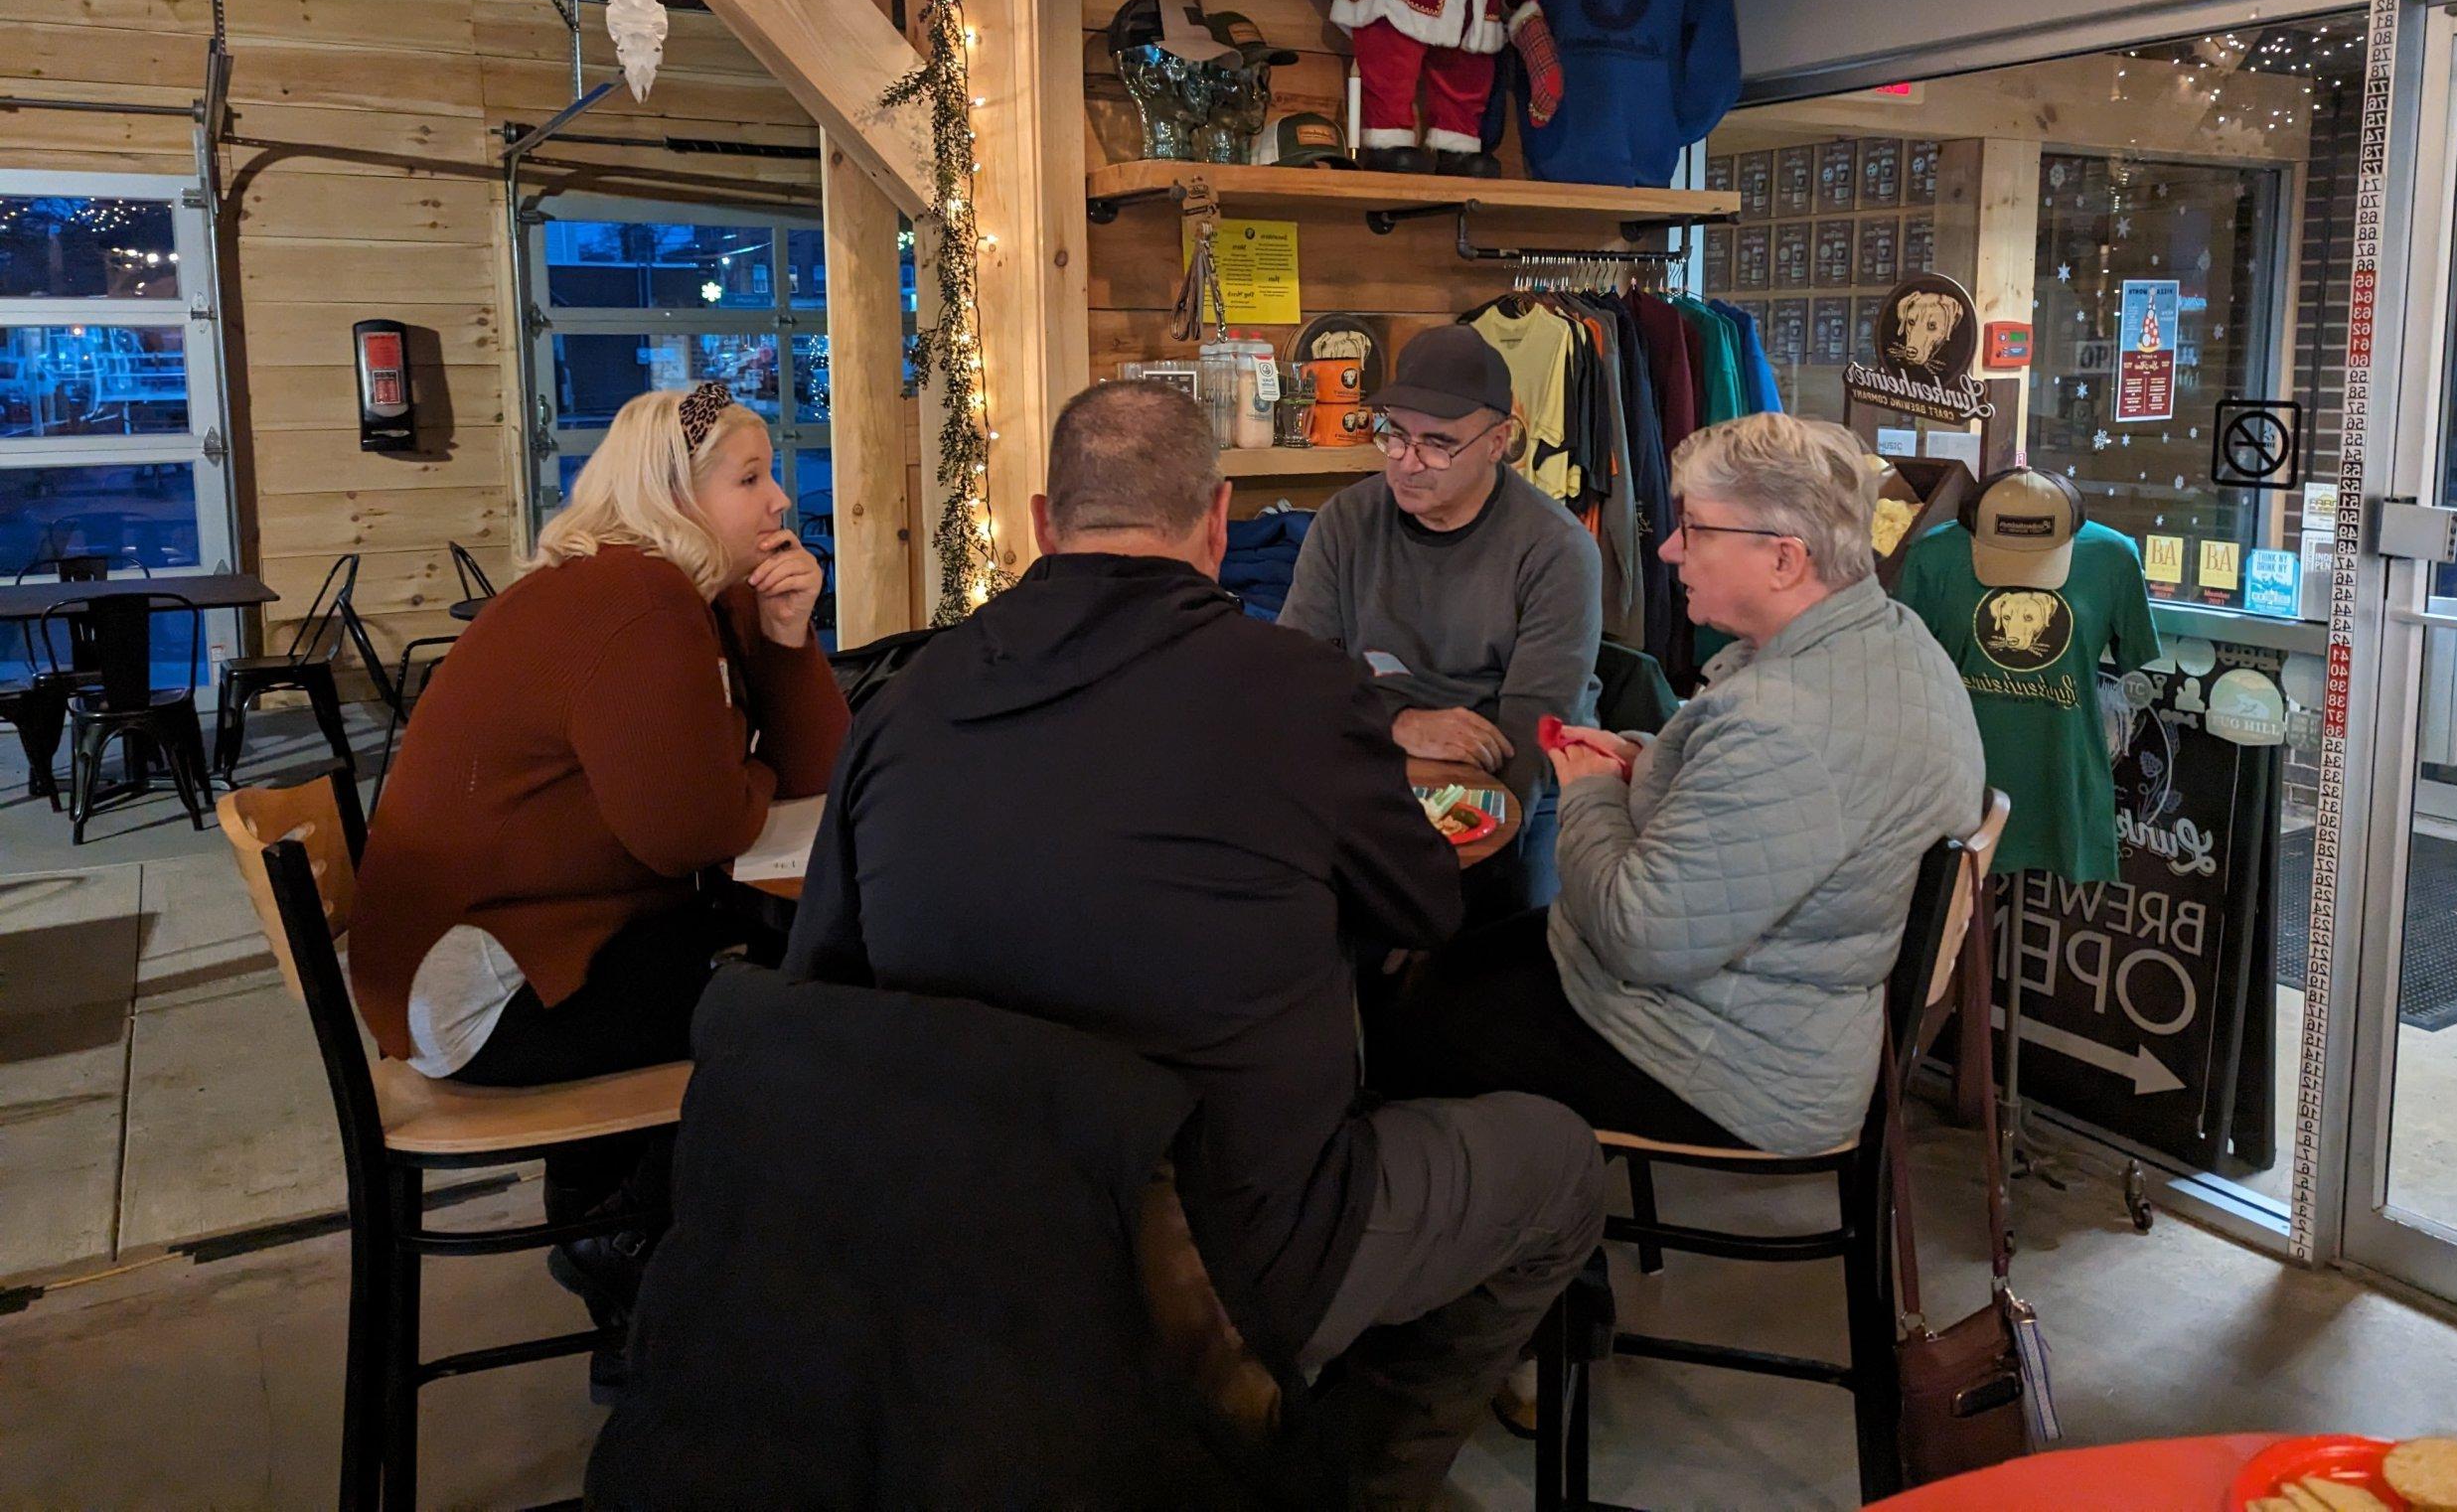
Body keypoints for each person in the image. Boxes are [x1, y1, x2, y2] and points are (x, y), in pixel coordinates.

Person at [785, 380, 1604, 1506]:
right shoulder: (1297, 695)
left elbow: (824, 975)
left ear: (1038, 520)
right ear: (1218, 523)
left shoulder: (899, 704)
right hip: (1228, 1246)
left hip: (962, 1227)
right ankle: (1349, 1479)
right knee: (1558, 1167)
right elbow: (1422, 909)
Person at [349, 381, 847, 1334]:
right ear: (673, 496)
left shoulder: (672, 595)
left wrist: (784, 640)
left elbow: (811, 770)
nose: (780, 500)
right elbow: (696, 830)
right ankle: (643, 1262)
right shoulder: (637, 604)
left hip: (517, 947)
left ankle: (629, 1267)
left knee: (760, 964)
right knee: (807, 1005)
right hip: (487, 993)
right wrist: (744, 772)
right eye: (751, 479)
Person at [1374, 412, 1986, 1161]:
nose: (1668, 550)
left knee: (1404, 1029)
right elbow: (1754, 798)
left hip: (1726, 1063)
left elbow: (1640, 937)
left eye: (1694, 530)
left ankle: (1525, 1249)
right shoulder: (1888, 640)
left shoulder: (1787, 726)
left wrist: (1594, 789)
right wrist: (1642, 757)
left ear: (1785, 559)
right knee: (1451, 971)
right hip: (1780, 1015)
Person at [1279, 321, 1601, 927]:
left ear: (1499, 440)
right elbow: (1298, 678)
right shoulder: (1346, 522)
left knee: (1505, 942)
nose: (1407, 463)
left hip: (1522, 776)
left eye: (1438, 444)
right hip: (1383, 757)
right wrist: (1396, 725)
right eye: (1395, 435)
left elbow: (1534, 728)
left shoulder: (1555, 549)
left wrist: (1461, 867)